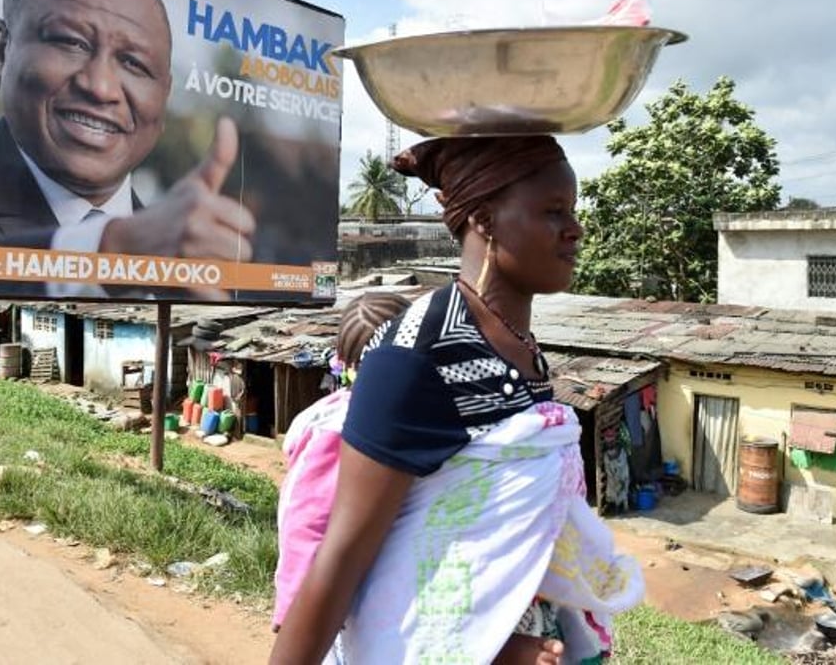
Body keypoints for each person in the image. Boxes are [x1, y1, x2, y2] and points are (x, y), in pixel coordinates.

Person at [270, 135, 643, 665]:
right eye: (553, 211)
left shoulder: (518, 346)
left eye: (573, 210)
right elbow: (342, 558)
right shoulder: (417, 355)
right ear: (485, 221)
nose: (575, 229)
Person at [0, 0, 253, 268]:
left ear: (164, 98)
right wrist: (108, 251)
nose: (101, 88)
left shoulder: (185, 258)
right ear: (2, 51)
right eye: (71, 42)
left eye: (134, 63)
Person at [273, 291, 412, 633]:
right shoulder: (341, 430)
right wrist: (293, 610)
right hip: (345, 607)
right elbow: (306, 521)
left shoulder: (407, 415)